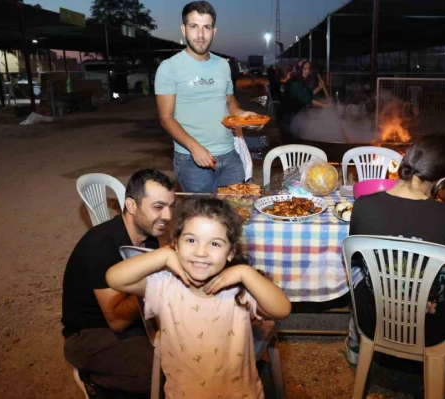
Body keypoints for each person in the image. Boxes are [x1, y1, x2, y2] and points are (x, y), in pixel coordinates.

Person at [106, 197, 291, 398]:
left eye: (215, 243)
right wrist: (164, 256)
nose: (201, 252)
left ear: (231, 252)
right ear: (176, 244)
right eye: (191, 240)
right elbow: (115, 279)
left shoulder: (239, 288)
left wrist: (245, 273)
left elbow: (282, 309)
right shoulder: (164, 285)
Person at [344, 134, 445, 365]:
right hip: (428, 328)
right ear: (440, 182)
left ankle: (355, 345)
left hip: (375, 319)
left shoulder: (362, 206)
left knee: (356, 273)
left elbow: (359, 263)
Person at [61, 169, 176, 396]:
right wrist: (160, 281)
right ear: (131, 206)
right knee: (159, 377)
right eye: (158, 207)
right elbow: (117, 321)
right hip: (89, 335)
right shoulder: (102, 246)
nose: (168, 216)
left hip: (135, 324)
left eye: (171, 206)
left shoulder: (148, 238)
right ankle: (94, 381)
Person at [155, 1, 261, 193]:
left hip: (230, 155)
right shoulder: (168, 68)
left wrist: (242, 115)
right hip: (191, 160)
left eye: (207, 27)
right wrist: (194, 148)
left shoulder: (223, 65)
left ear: (214, 31)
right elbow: (165, 118)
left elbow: (228, 99)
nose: (201, 35)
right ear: (183, 29)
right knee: (202, 219)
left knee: (232, 214)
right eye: (194, 26)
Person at [276, 59, 330, 144]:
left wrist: (319, 88)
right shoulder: (295, 84)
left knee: (296, 141)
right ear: (299, 69)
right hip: (287, 118)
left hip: (294, 116)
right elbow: (308, 100)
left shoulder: (301, 82)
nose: (307, 71)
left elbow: (308, 94)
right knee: (290, 144)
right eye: (305, 69)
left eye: (309, 69)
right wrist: (325, 105)